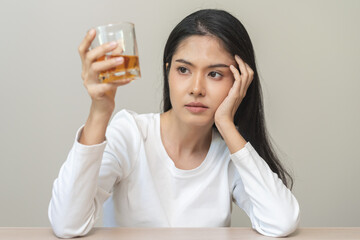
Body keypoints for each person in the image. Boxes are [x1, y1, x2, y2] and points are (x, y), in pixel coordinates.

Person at [48, 9, 300, 238]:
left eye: (215, 74)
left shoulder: (229, 154)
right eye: (183, 70)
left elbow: (281, 222)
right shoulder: (131, 134)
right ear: (167, 70)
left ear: (240, 81)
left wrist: (226, 124)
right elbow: (67, 224)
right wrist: (100, 111)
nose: (196, 89)